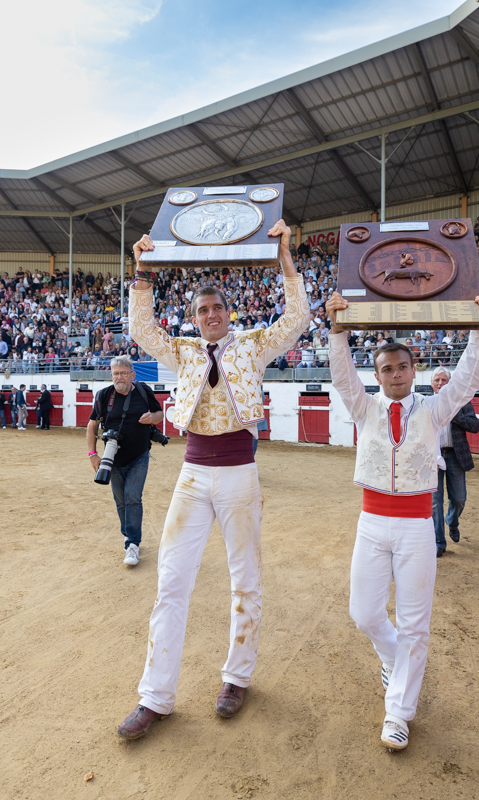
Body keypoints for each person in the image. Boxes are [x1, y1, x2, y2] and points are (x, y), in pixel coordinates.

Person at [116, 220, 309, 741]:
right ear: (194, 317)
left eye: (217, 309)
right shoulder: (182, 350)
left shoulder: (252, 345)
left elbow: (297, 317)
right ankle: (155, 697)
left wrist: (285, 255)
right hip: (194, 473)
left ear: (229, 313)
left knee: (245, 579)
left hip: (240, 474)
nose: (210, 317)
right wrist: (141, 271)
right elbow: (141, 330)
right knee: (171, 582)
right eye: (202, 311)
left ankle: (237, 678)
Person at [324, 286, 479, 750]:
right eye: (386, 369)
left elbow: (468, 378)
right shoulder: (365, 408)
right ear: (377, 374)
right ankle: (393, 657)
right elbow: (341, 378)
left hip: (419, 524)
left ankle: (398, 712)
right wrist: (337, 331)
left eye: (402, 367)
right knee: (364, 613)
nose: (395, 375)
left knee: (417, 623)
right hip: (372, 522)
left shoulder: (434, 410)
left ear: (413, 370)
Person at [88, 356, 164, 566]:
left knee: (132, 497)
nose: (119, 377)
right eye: (115, 373)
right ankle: (128, 533)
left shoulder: (143, 390)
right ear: (111, 375)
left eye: (123, 373)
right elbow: (92, 425)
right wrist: (92, 454)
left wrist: (153, 418)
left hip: (139, 455)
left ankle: (132, 543)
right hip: (112, 459)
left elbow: (160, 414)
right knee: (120, 500)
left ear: (133, 375)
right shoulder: (104, 395)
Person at [429, 366, 479, 557]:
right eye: (437, 380)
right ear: (432, 384)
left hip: (455, 455)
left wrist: (454, 413)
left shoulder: (461, 401)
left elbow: (475, 426)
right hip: (433, 457)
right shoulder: (425, 402)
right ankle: (439, 542)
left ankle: (452, 521)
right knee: (435, 502)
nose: (441, 384)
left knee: (459, 499)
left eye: (444, 380)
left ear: (450, 383)